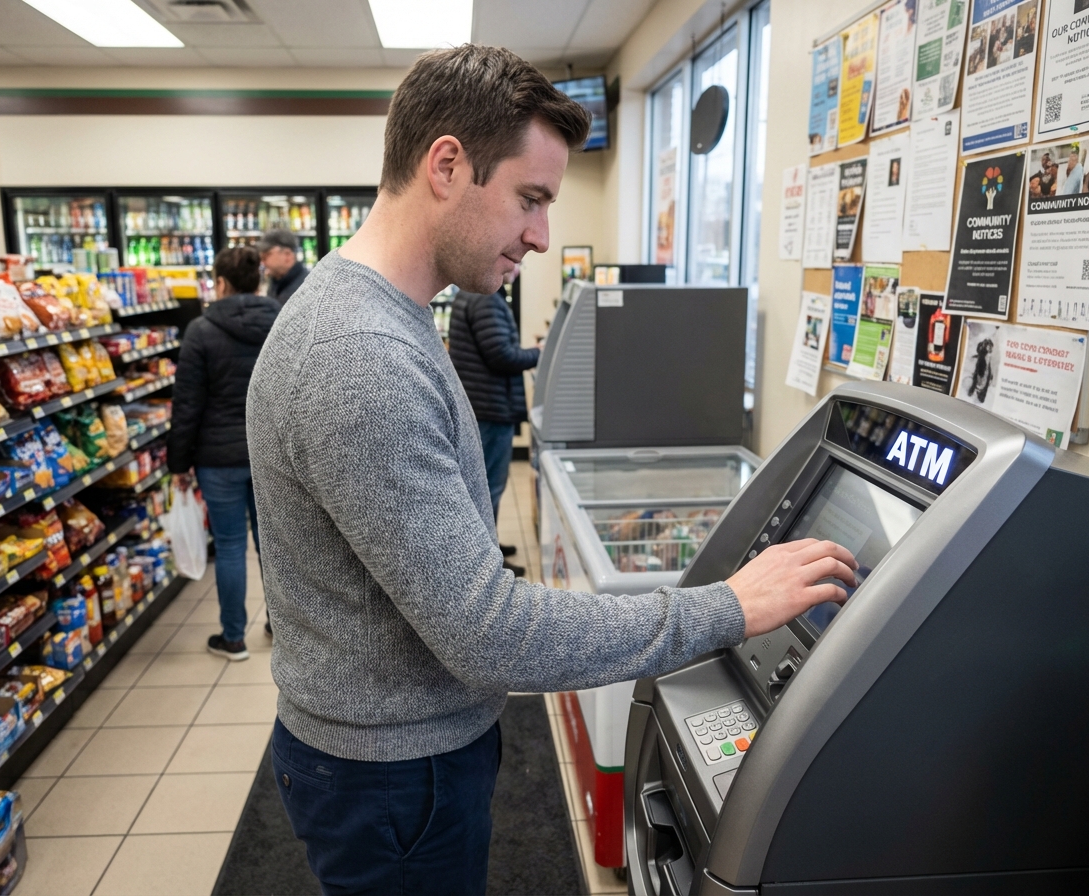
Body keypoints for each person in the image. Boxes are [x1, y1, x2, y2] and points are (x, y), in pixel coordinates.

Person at [247, 45, 857, 894]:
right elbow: (489, 634)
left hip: (391, 752)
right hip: (393, 777)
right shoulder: (360, 356)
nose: (540, 235)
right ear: (447, 166)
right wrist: (728, 608)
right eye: (529, 198)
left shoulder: (377, 315)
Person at [168, 247, 280, 660]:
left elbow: (187, 404)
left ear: (220, 283)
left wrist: (178, 464)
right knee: (272, 546)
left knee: (231, 547)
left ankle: (233, 638)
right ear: (258, 281)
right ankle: (280, 626)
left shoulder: (201, 330)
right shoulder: (282, 321)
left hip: (217, 459)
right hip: (269, 454)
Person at [448, 264, 538, 576]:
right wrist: (539, 352)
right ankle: (488, 564)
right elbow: (502, 355)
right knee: (489, 488)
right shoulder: (486, 299)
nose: (518, 268)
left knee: (484, 485)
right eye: (516, 261)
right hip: (490, 407)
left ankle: (491, 546)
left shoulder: (474, 293)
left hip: (483, 404)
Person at [257, 229, 308, 305]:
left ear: (287, 255)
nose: (262, 262)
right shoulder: (276, 281)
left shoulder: (307, 287)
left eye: (266, 256)